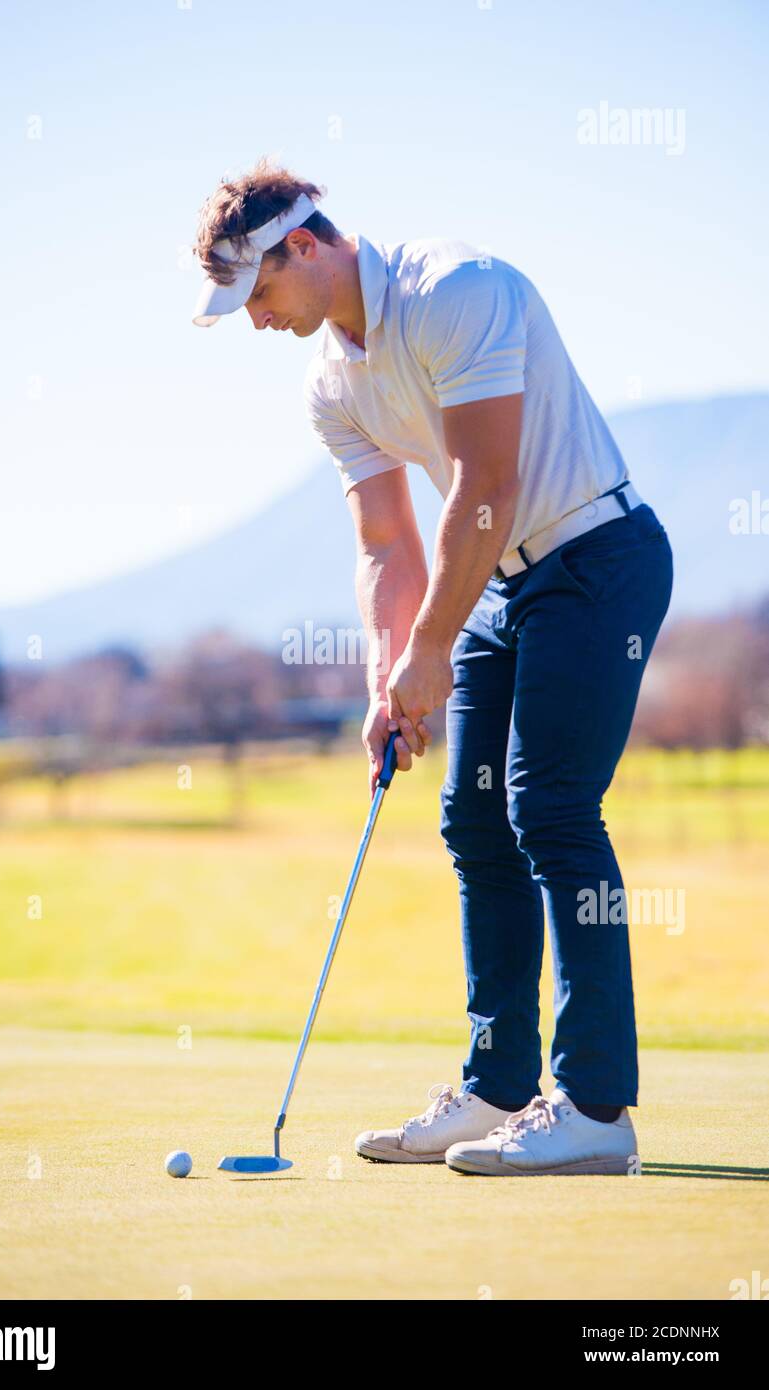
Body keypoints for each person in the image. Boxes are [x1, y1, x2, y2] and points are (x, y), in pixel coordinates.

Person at [192, 158, 674, 1176]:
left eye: (261, 292)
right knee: (472, 817)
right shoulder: (331, 384)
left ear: (308, 244)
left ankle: (594, 1108)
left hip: (596, 555)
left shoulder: (455, 288)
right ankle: (498, 1086)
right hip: (497, 580)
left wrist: (431, 648)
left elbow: (485, 485)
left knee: (549, 811)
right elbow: (384, 540)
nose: (257, 319)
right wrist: (389, 677)